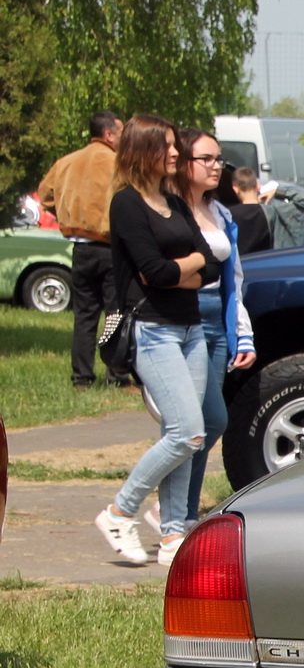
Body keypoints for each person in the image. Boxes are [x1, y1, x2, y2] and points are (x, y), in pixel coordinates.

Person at [94, 114, 220, 567]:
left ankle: (171, 538)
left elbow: (211, 266)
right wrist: (186, 269)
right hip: (153, 330)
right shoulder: (127, 204)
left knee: (189, 433)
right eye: (166, 145)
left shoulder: (175, 200)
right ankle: (119, 512)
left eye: (174, 145)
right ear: (141, 150)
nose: (175, 153)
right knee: (186, 433)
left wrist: (180, 272)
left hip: (191, 330)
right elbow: (157, 272)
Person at [155, 127, 256, 539]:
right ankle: (171, 516)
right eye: (207, 159)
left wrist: (241, 333)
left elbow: (235, 278)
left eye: (220, 160)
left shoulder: (222, 213)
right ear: (184, 162)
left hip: (217, 319)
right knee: (193, 423)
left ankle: (184, 512)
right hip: (181, 319)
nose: (217, 167)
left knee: (208, 423)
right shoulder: (168, 211)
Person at [36, 111, 128, 388]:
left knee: (84, 316)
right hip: (111, 249)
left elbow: (45, 194)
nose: (124, 139)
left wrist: (67, 211)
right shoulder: (118, 164)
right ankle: (117, 376)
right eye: (121, 133)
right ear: (109, 134)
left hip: (80, 249)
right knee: (115, 315)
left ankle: (82, 378)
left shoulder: (66, 162)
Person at [221, 165, 274, 254]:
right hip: (267, 261)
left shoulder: (228, 214)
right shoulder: (271, 212)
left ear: (235, 189)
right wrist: (277, 191)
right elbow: (302, 202)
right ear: (258, 186)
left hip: (241, 264)